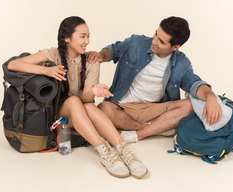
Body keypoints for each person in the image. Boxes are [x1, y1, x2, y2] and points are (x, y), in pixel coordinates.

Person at [8, 16, 147, 179]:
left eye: (88, 36)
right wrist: (47, 71)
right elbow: (13, 65)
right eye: (82, 36)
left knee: (88, 106)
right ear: (67, 38)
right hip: (55, 121)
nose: (87, 41)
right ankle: (105, 152)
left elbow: (86, 99)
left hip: (80, 115)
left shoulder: (91, 61)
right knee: (74, 101)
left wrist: (94, 91)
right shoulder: (52, 54)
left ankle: (124, 152)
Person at [86, 16, 222, 143]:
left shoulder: (182, 63)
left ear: (175, 47)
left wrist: (211, 98)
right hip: (122, 107)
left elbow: (195, 84)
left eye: (161, 41)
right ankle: (155, 128)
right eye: (156, 34)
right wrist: (101, 56)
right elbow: (113, 50)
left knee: (191, 105)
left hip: (153, 109)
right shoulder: (136, 43)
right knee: (103, 109)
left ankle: (138, 134)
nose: (154, 41)